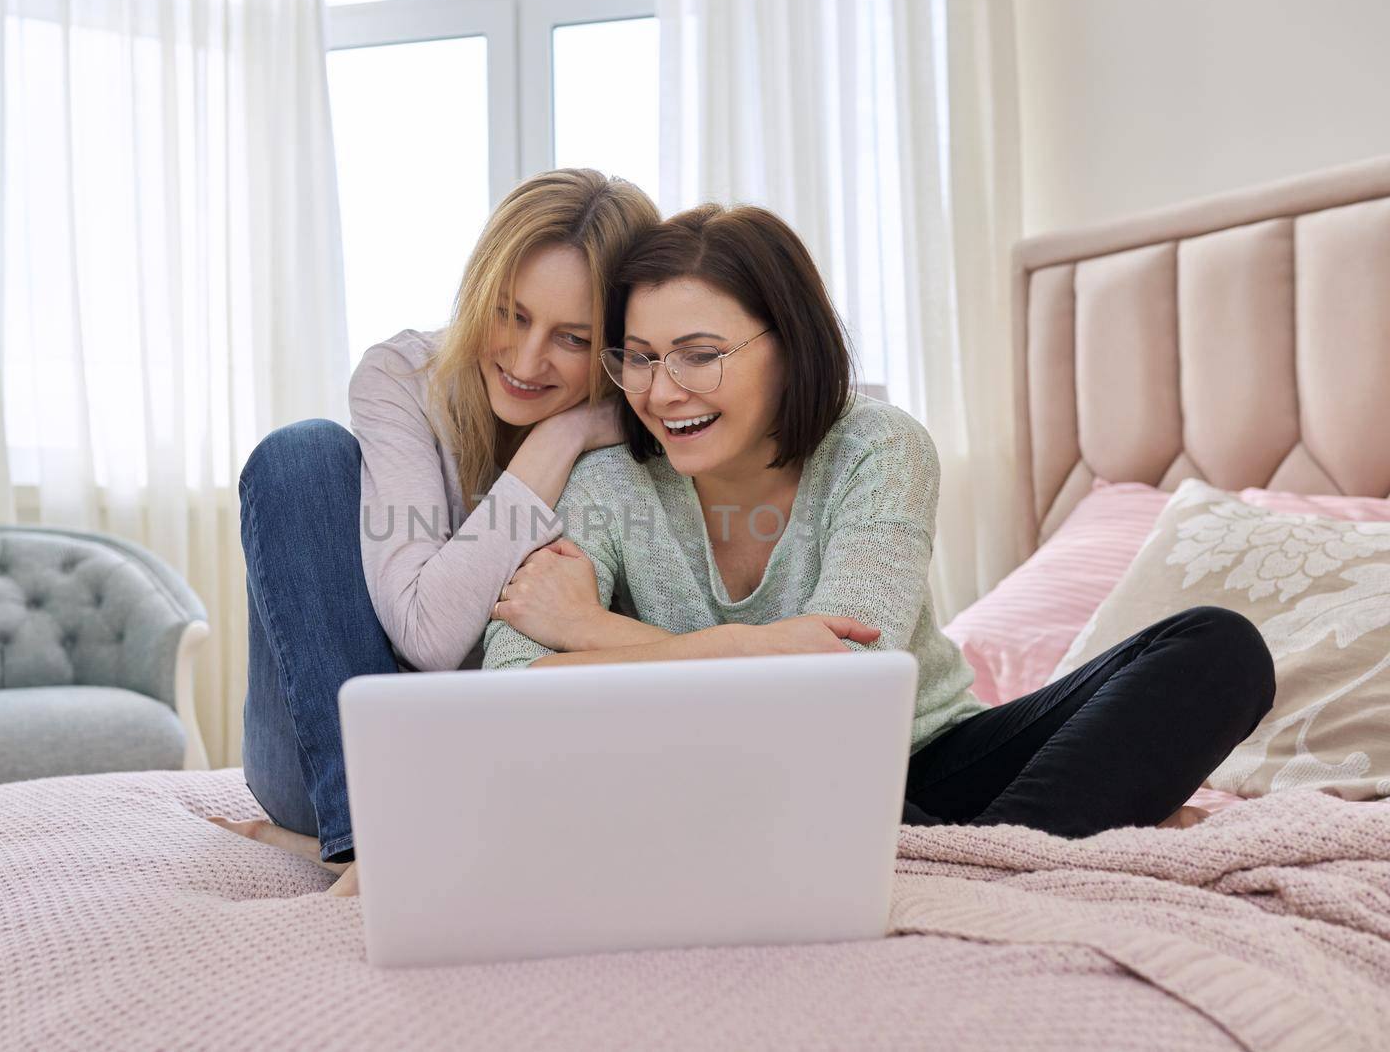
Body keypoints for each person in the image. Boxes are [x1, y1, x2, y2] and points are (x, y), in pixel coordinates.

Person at [484, 202, 1276, 839]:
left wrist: (593, 629)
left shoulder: (877, 447)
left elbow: (848, 686)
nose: (661, 391)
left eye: (699, 353)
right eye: (640, 357)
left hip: (923, 757)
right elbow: (508, 689)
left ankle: (967, 854)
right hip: (726, 778)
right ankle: (1025, 841)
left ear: (789, 347)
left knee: (1217, 648)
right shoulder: (608, 482)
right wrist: (761, 650)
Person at [209, 169, 661, 894]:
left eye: (571, 338)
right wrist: (562, 432)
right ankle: (369, 840)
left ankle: (386, 840)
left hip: (499, 757)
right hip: (340, 741)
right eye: (509, 314)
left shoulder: (637, 425)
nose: (524, 358)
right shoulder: (403, 376)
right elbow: (427, 632)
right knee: (302, 456)